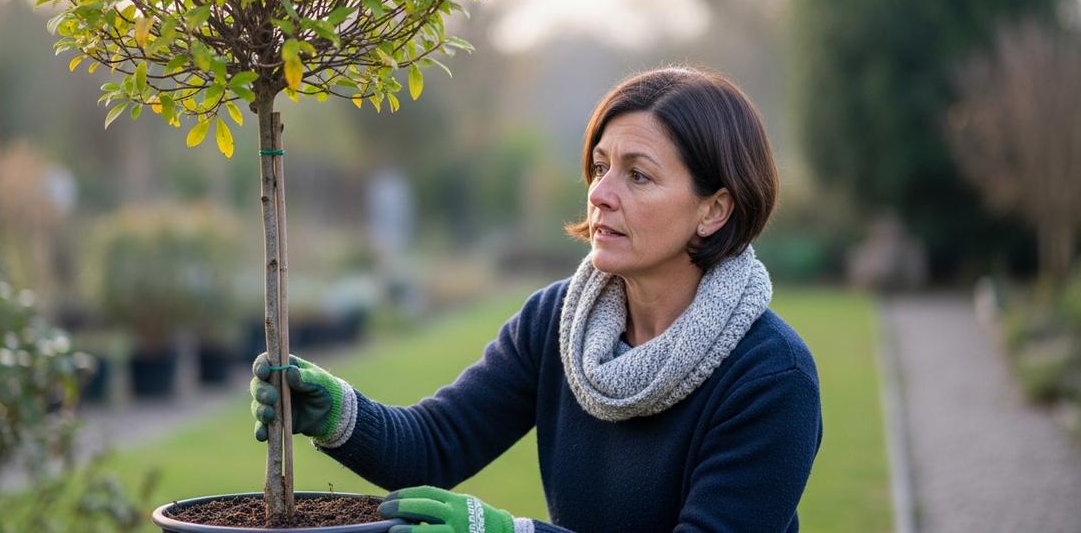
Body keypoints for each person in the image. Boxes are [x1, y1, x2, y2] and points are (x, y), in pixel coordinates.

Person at [251, 66, 822, 532]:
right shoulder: (559, 323)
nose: (600, 193)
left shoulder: (771, 377)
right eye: (600, 167)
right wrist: (338, 412)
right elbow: (436, 443)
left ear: (714, 210)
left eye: (638, 176)